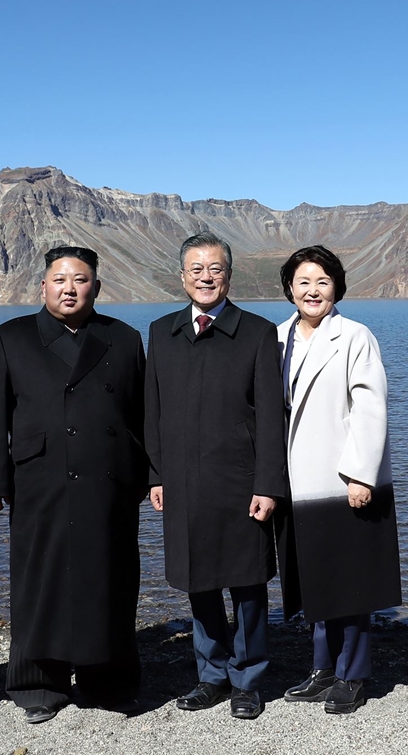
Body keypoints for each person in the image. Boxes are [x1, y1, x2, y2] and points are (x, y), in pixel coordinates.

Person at [0, 245, 147, 724]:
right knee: (40, 576)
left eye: (81, 279)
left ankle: (107, 680)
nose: (70, 288)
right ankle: (37, 682)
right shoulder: (10, 337)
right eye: (60, 279)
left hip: (110, 480)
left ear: (96, 286)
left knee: (109, 577)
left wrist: (153, 475)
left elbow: (143, 416)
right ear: (43, 286)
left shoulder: (124, 338)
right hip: (40, 478)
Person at [144, 232, 287, 720]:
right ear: (182, 276)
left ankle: (248, 678)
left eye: (216, 269)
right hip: (182, 482)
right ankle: (212, 676)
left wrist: (268, 484)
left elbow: (271, 417)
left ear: (230, 274)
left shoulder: (257, 332)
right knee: (198, 580)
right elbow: (153, 410)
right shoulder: (161, 331)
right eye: (196, 269)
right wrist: (156, 474)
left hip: (241, 481)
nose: (206, 277)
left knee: (247, 583)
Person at [277, 245, 401, 714]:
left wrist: (360, 475)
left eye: (323, 282)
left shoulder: (355, 336)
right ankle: (321, 669)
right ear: (289, 287)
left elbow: (371, 407)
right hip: (296, 483)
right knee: (316, 581)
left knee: (353, 581)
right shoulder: (277, 336)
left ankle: (353, 675)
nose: (313, 290)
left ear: (337, 289)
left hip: (343, 479)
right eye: (304, 281)